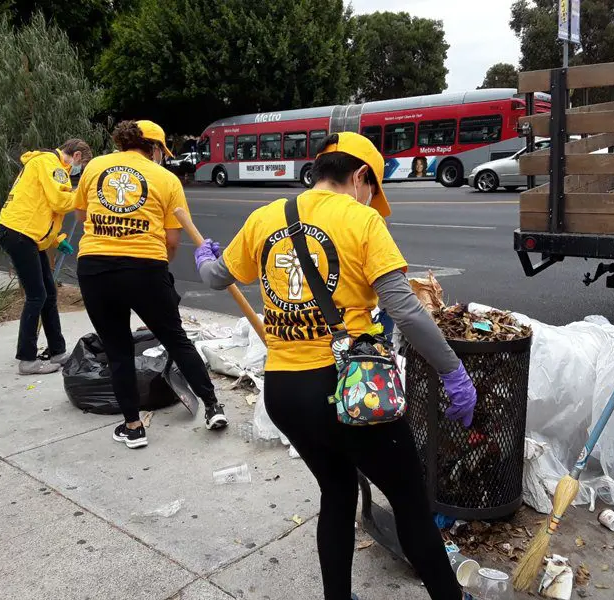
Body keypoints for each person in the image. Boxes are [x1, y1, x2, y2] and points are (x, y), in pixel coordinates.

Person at [194, 131, 476, 600]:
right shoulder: (361, 221)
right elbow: (404, 309)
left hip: (285, 392)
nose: (372, 200)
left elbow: (213, 276)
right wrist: (453, 372)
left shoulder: (266, 217)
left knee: (337, 494)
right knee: (409, 504)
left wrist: (206, 254)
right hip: (352, 388)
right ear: (361, 176)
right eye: (373, 190)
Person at [73, 120, 227, 450]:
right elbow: (172, 240)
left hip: (95, 268)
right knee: (176, 338)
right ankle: (213, 407)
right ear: (154, 148)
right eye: (162, 150)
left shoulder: (96, 166)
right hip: (146, 267)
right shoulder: (166, 179)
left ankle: (133, 427)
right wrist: (157, 267)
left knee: (117, 349)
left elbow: (82, 216)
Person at [0, 139, 92, 375]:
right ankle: (27, 359)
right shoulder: (52, 164)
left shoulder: (46, 163)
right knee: (37, 295)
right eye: (84, 165)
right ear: (77, 156)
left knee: (49, 293)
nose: (80, 171)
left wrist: (57, 240)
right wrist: (87, 191)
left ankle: (58, 351)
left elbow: (42, 210)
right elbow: (60, 202)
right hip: (20, 234)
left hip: (25, 234)